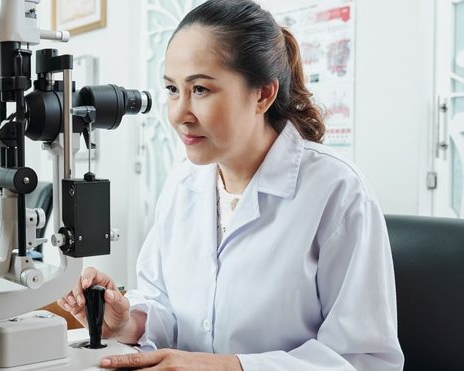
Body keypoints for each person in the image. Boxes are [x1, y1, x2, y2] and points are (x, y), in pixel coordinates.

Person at [58, 0, 404, 370]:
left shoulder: (337, 191)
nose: (178, 114)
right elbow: (165, 307)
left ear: (263, 94)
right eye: (173, 89)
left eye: (201, 90)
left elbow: (366, 361)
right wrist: (129, 322)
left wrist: (230, 366)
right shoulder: (182, 183)